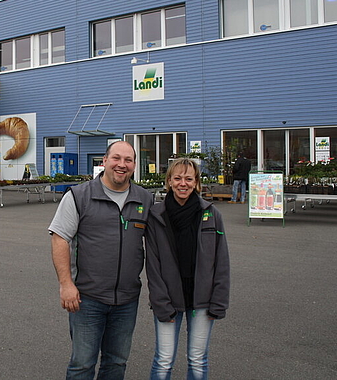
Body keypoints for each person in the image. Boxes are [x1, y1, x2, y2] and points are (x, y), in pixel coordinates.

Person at [49, 141, 154, 380]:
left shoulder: (144, 199)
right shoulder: (79, 196)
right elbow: (59, 239)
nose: (122, 165)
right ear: (104, 161)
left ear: (134, 165)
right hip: (87, 299)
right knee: (82, 364)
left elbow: (161, 245)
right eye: (116, 158)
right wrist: (66, 285)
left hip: (127, 300)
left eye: (128, 160)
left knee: (116, 363)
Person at [145, 158, 230, 380]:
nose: (183, 183)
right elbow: (152, 265)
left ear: (196, 183)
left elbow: (222, 262)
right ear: (169, 182)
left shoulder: (211, 214)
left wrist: (219, 302)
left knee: (198, 359)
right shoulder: (156, 216)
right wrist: (160, 303)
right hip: (169, 299)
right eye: (178, 178)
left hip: (202, 299)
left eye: (189, 179)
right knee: (163, 360)